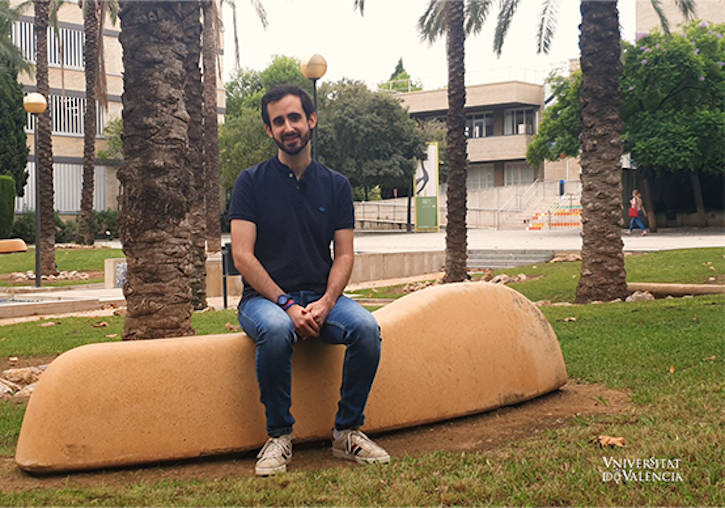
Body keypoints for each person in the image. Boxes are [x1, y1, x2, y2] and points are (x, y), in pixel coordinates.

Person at [228, 84, 390, 476]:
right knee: (278, 330)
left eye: (294, 117)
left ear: (311, 120)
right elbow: (242, 255)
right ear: (269, 130)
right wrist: (285, 303)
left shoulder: (335, 185)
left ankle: (346, 433)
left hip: (321, 298)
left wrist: (328, 302)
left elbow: (345, 254)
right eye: (278, 121)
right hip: (263, 302)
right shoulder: (250, 182)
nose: (288, 127)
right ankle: (279, 437)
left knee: (367, 329)